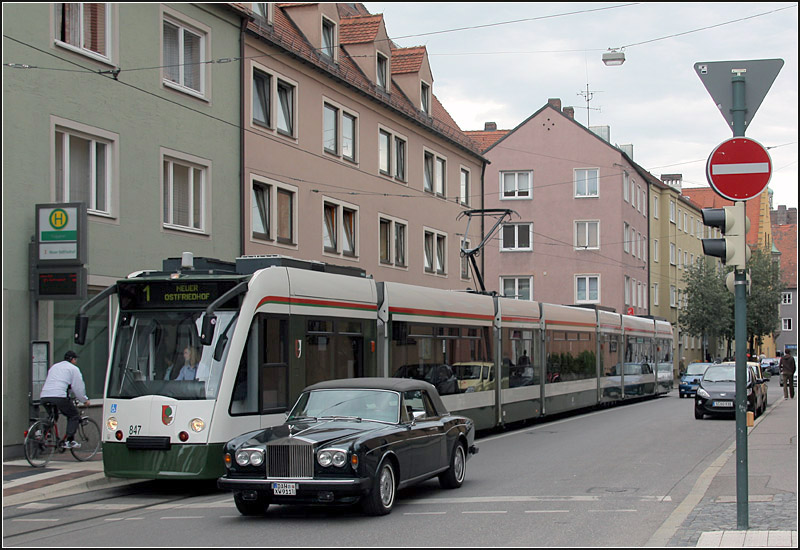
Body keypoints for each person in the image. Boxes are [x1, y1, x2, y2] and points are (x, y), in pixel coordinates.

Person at [39, 350, 90, 448]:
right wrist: (84, 400)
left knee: (53, 417)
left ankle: (43, 434)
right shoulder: (73, 369)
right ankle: (70, 441)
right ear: (72, 359)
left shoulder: (54, 367)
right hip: (59, 396)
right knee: (74, 415)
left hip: (45, 395)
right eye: (75, 359)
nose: (76, 362)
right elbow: (78, 387)